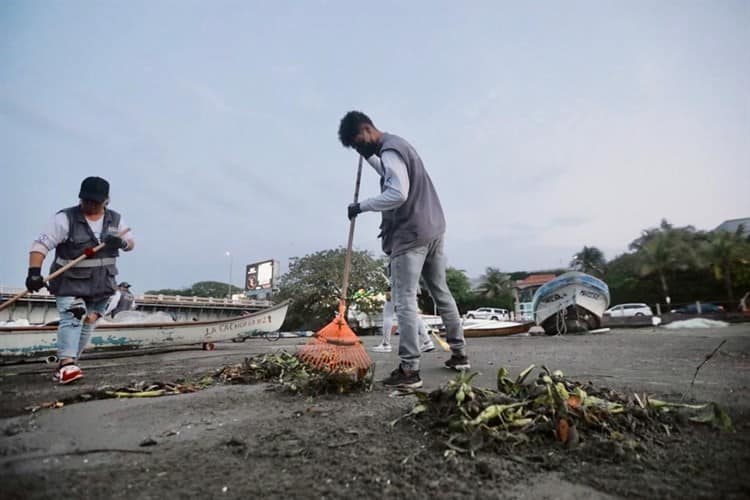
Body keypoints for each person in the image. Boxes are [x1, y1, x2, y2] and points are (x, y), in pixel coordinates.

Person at [338, 111, 468, 389]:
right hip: (433, 228)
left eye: (358, 142)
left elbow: (398, 193)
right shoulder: (398, 146)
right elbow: (389, 172)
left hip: (410, 236)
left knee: (404, 300)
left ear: (367, 128)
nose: (359, 147)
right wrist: (367, 157)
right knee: (441, 292)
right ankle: (459, 354)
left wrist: (361, 206)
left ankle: (410, 370)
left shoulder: (390, 152)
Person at [25, 176, 135, 384]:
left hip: (102, 285)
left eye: (95, 202)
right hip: (70, 283)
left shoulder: (116, 220)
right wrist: (33, 272)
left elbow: (130, 243)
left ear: (106, 201)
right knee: (73, 317)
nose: (89, 205)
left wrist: (120, 242)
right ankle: (67, 364)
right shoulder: (64, 219)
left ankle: (70, 364)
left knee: (89, 321)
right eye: (86, 201)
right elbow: (40, 246)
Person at [373, 288, 435, 353]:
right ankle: (427, 341)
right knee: (413, 313)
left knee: (388, 313)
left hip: (398, 288)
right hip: (412, 288)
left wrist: (389, 289)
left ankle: (385, 344)